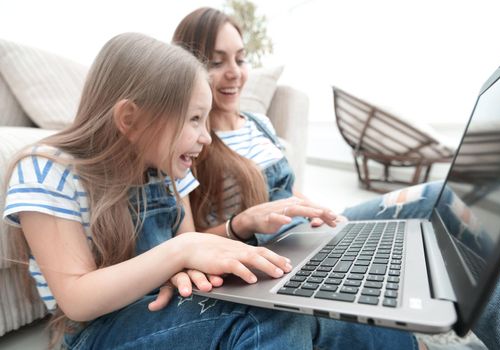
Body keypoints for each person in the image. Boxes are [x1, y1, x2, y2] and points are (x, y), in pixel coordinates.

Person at [2, 32, 423, 349]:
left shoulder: (165, 169)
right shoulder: (47, 171)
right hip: (96, 332)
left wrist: (240, 226)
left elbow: (190, 242)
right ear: (130, 118)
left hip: (168, 304)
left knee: (333, 309)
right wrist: (178, 253)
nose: (206, 138)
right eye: (194, 120)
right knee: (268, 322)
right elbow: (77, 298)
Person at [165, 7, 500, 350]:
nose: (234, 73)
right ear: (188, 70)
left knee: (439, 200)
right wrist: (241, 223)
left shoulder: (260, 124)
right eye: (216, 62)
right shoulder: (190, 141)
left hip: (314, 231)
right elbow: (188, 242)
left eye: (240, 59)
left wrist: (328, 219)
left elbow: (290, 193)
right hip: (273, 249)